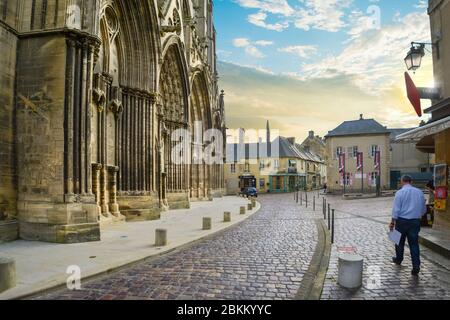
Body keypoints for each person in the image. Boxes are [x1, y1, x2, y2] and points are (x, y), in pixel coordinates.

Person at [390, 175, 427, 276]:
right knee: (414, 244)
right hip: (415, 222)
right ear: (411, 181)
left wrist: (392, 222)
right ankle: (416, 266)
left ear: (402, 181)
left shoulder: (400, 193)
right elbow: (423, 209)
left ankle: (399, 259)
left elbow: (396, 210)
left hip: (402, 221)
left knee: (399, 242)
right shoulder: (419, 192)